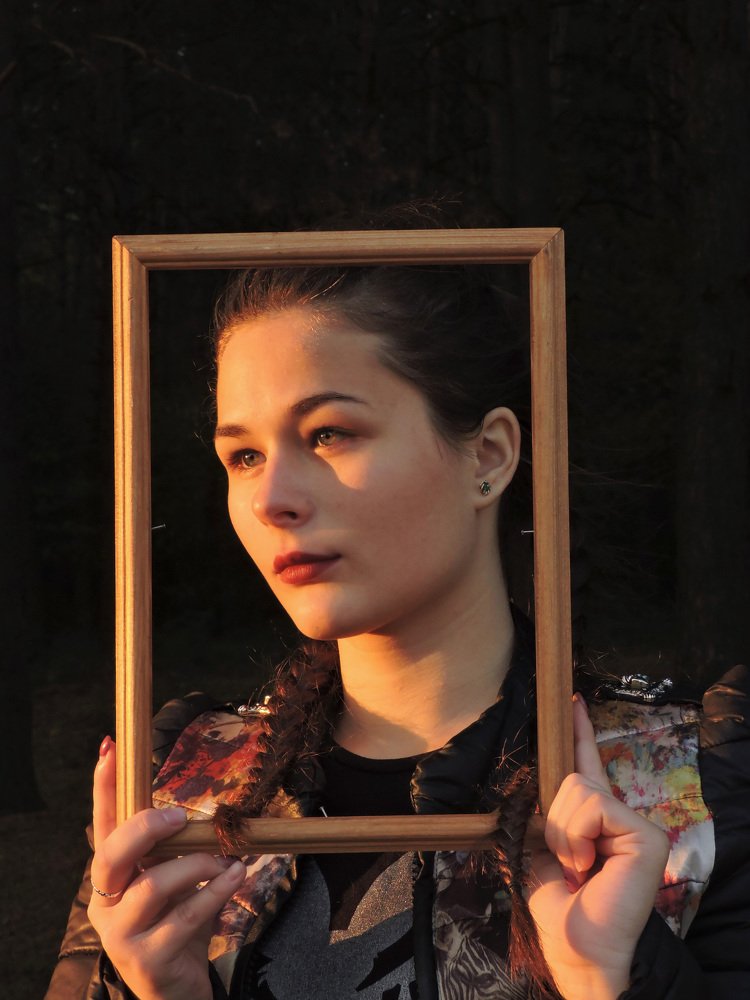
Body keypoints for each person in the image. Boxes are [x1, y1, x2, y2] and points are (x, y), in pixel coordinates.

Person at [47, 234, 750, 1000]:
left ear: (489, 456)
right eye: (243, 456)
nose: (270, 498)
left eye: (328, 434)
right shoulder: (178, 793)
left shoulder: (694, 784)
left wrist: (615, 978)